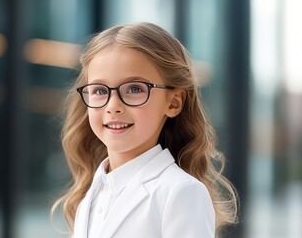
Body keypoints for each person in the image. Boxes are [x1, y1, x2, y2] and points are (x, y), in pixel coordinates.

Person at [52, 22, 238, 238]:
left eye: (134, 89)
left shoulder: (181, 192)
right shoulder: (91, 195)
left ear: (174, 103)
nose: (113, 106)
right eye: (100, 90)